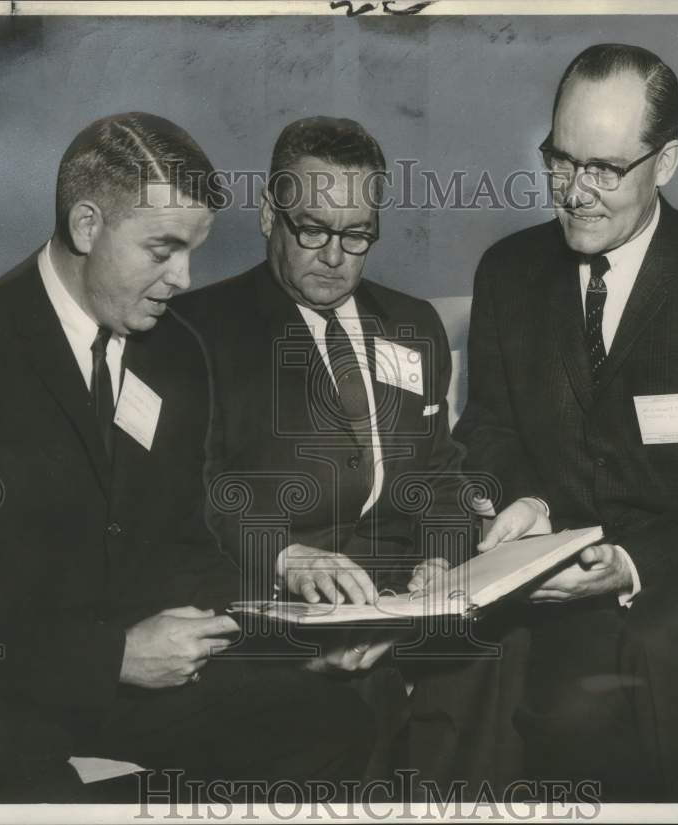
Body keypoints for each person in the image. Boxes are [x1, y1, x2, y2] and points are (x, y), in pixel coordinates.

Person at [0, 112, 373, 803]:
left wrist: (297, 630)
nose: (183, 277)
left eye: (194, 251)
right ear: (86, 226)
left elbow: (181, 546)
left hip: (136, 690)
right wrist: (114, 656)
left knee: (332, 718)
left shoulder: (175, 354)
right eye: (162, 249)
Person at [453, 44, 678, 802]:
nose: (576, 191)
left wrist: (631, 560)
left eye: (606, 168)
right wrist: (525, 502)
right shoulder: (509, 272)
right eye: (560, 160)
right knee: (571, 711)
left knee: (658, 651)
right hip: (576, 576)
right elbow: (487, 432)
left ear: (667, 161)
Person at [174, 116, 493, 783]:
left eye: (356, 234)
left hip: (402, 585)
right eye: (311, 228)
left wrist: (440, 553)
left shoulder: (412, 324)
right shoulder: (194, 333)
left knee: (505, 648)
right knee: (348, 700)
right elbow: (187, 493)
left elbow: (439, 472)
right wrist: (284, 556)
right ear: (268, 214)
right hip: (272, 595)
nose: (333, 254)